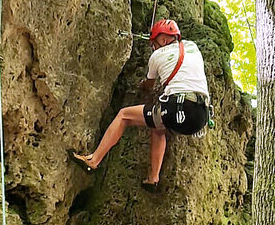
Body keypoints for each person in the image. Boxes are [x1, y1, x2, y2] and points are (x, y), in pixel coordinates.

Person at [70, 19, 210, 192]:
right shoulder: (192, 47)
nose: (153, 47)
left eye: (155, 43)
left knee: (124, 115)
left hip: (177, 108)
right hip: (201, 116)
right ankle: (153, 179)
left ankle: (93, 161)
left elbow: (149, 85)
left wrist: (141, 84)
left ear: (164, 40)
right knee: (158, 128)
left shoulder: (156, 57)